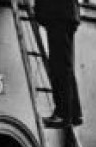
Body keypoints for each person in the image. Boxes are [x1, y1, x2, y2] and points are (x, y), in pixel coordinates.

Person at [34, 0, 83, 128]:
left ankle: (63, 114)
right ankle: (73, 113)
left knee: (59, 66)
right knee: (65, 65)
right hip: (65, 14)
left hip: (58, 14)